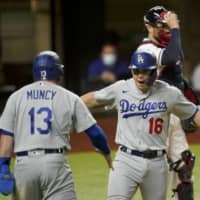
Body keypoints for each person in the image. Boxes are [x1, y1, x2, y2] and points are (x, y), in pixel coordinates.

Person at [81, 51, 200, 200]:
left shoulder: (170, 94)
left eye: (145, 71)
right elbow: (91, 99)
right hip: (126, 160)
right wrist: (65, 109)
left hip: (157, 163)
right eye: (136, 71)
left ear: (154, 72)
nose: (140, 76)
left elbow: (194, 113)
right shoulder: (121, 89)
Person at [0, 51, 112, 200]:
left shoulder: (15, 97)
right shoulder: (69, 97)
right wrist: (108, 156)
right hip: (55, 164)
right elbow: (96, 134)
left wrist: (3, 168)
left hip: (24, 165)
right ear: (59, 71)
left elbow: (6, 138)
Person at [137, 6, 198, 199]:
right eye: (161, 26)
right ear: (148, 26)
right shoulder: (146, 49)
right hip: (156, 116)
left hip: (172, 113)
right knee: (159, 170)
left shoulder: (166, 47)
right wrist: (176, 28)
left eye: (167, 25)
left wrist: (189, 103)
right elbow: (173, 57)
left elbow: (177, 78)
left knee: (184, 165)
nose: (165, 29)